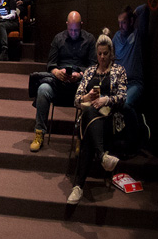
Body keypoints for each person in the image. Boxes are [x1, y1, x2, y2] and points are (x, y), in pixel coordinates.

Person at [68, 34, 129, 204]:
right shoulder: (89, 72)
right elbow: (76, 100)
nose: (102, 57)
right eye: (100, 54)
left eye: (105, 53)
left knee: (88, 129)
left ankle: (78, 186)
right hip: (90, 118)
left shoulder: (119, 71)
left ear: (111, 53)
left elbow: (123, 97)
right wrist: (87, 97)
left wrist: (106, 100)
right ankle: (102, 157)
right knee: (89, 113)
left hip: (110, 119)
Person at [31, 11, 96, 152]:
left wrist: (80, 75)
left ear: (81, 25)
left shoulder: (90, 40)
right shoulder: (58, 38)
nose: (73, 33)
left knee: (90, 92)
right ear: (67, 25)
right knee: (43, 89)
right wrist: (57, 72)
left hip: (80, 84)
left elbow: (93, 67)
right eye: (70, 29)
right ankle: (39, 133)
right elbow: (51, 65)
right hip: (60, 82)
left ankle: (81, 137)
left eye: (76, 30)